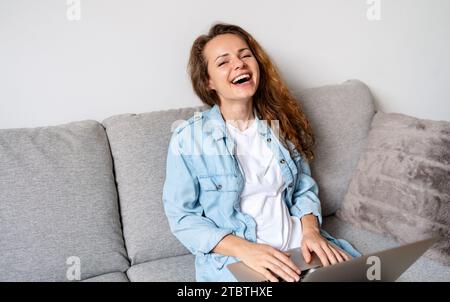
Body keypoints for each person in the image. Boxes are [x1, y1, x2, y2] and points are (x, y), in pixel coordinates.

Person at [162, 23, 360, 282]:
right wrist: (247, 251)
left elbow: (303, 187)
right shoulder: (188, 138)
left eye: (245, 55)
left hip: (300, 249)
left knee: (368, 273)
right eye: (223, 62)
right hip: (243, 261)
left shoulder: (280, 124)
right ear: (208, 81)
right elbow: (183, 217)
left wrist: (311, 232)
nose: (239, 64)